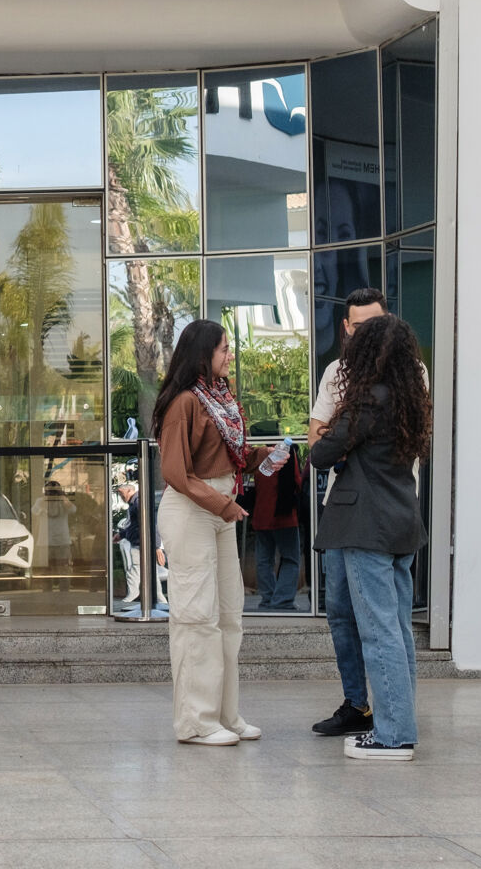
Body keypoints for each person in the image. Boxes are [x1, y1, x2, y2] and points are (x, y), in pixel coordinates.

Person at [307, 287, 426, 737]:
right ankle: (396, 719)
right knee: (394, 627)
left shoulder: (368, 397)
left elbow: (320, 450)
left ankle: (394, 732)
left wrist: (338, 441)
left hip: (366, 524)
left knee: (379, 632)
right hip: (398, 518)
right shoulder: (405, 393)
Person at [152, 320, 267, 747]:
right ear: (203, 354)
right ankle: (197, 722)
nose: (229, 355)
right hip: (192, 511)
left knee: (228, 617)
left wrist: (262, 458)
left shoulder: (221, 398)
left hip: (219, 511)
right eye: (223, 349)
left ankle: (225, 715)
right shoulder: (184, 403)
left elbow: (227, 458)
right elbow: (177, 474)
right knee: (197, 618)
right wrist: (222, 504)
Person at [248, 438, 303, 611]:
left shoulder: (258, 455)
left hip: (261, 514)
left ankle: (267, 599)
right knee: (290, 559)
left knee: (264, 560)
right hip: (284, 516)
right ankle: (283, 601)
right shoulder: (286, 454)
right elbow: (297, 482)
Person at [32, 478, 77, 591]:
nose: (52, 493)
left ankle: (64, 592)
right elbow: (34, 511)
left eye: (54, 491)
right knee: (46, 570)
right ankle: (47, 592)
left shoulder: (63, 501)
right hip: (45, 541)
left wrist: (62, 498)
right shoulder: (40, 501)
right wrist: (45, 499)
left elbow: (73, 510)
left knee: (63, 569)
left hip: (62, 540)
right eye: (50, 491)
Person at [114, 478, 141, 606]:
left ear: (130, 490)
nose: (120, 496)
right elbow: (134, 524)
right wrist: (122, 534)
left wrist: (157, 546)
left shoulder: (137, 502)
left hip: (139, 543)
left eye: (121, 493)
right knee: (152, 575)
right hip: (138, 542)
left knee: (134, 568)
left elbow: (148, 523)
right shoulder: (134, 503)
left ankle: (133, 593)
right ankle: (161, 601)